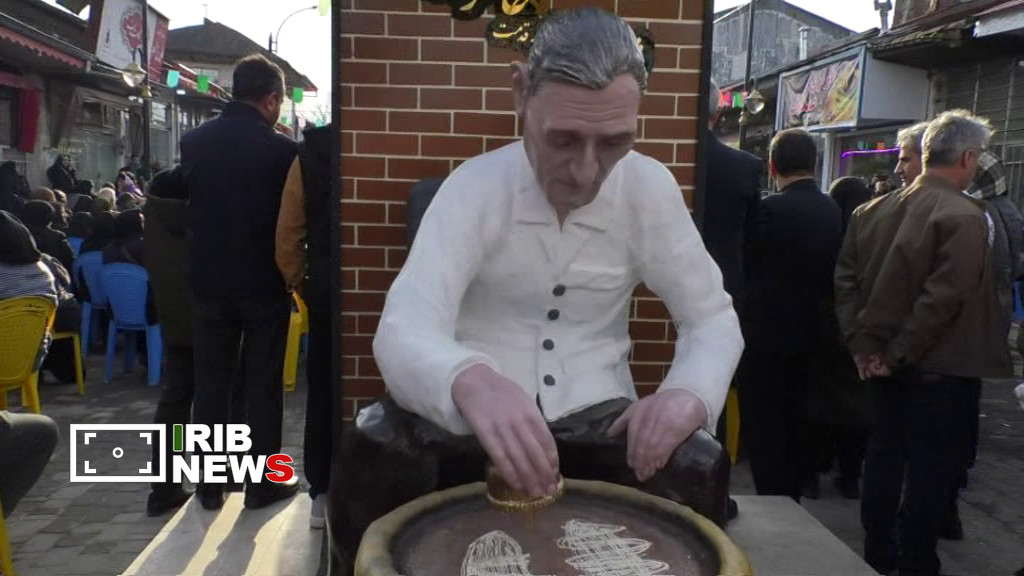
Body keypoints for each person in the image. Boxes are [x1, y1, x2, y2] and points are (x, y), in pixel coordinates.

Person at [347, 7, 743, 570]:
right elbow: (404, 324)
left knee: (699, 463)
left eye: (614, 143)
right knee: (371, 443)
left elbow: (711, 318)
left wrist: (689, 394)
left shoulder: (648, 189)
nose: (586, 171)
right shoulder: (474, 188)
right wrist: (468, 378)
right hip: (469, 421)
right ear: (520, 94)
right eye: (563, 140)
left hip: (597, 412)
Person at [836, 110, 1012, 576]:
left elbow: (846, 283)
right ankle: (916, 561)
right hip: (938, 368)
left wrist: (864, 348)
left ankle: (877, 552)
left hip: (883, 361)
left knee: (884, 455)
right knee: (929, 469)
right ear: (968, 158)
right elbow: (944, 298)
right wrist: (893, 354)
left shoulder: (870, 211)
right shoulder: (964, 215)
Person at [181, 54, 299, 511]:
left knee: (211, 383)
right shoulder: (282, 151)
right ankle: (263, 483)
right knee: (262, 384)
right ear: (270, 99)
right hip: (263, 283)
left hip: (207, 280)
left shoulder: (194, 142)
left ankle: (209, 485)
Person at [736, 129, 843, 501]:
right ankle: (796, 488)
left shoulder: (768, 210)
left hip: (764, 335)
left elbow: (747, 263)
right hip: (816, 334)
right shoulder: (833, 210)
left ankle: (773, 495)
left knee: (765, 421)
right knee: (800, 416)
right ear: (815, 163)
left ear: (773, 166)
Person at [143, 167, 246, 516]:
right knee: (219, 402)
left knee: (175, 405)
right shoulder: (200, 221)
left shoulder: (154, 218)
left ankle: (166, 485)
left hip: (174, 323)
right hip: (212, 321)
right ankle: (219, 477)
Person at [275, 123, 333, 528]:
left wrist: (301, 283)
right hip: (390, 285)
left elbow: (289, 231)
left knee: (324, 387)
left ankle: (322, 493)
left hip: (327, 288)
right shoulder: (392, 132)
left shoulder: (311, 153)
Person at [806, 176, 873, 500]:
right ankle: (850, 476)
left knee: (818, 406)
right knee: (857, 411)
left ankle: (812, 473)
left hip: (822, 333)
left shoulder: (825, 237)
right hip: (859, 333)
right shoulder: (872, 240)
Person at [702, 79, 763, 316]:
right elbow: (752, 237)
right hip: (724, 288)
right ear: (717, 114)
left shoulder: (658, 161)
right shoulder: (745, 167)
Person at [20, 200, 74, 274]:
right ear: (50, 216)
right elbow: (69, 260)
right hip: (52, 275)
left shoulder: (19, 234)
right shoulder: (57, 236)